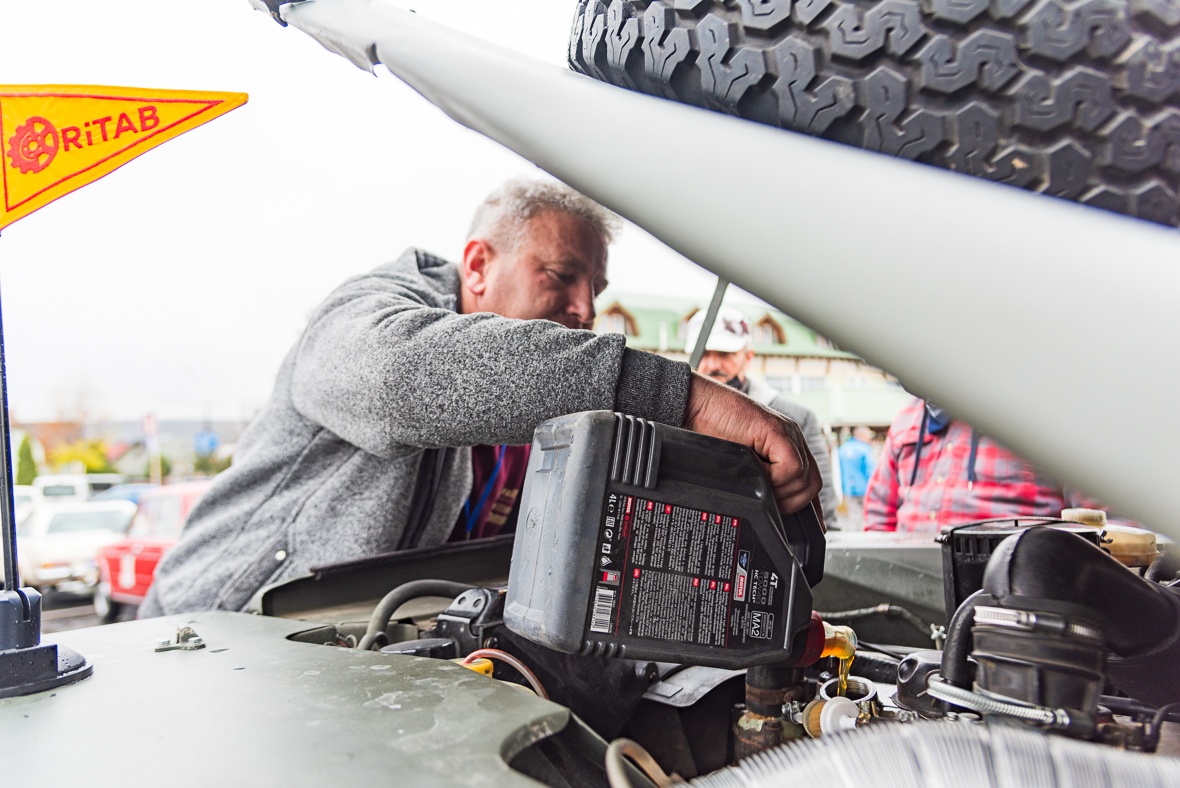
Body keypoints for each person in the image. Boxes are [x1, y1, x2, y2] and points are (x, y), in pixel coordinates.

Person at [141, 178, 822, 616]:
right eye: (561, 276)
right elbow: (397, 383)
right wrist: (680, 397)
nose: (585, 308)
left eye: (595, 289)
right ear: (476, 265)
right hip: (200, 637)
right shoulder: (366, 316)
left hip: (339, 656)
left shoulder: (540, 415)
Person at [683, 308, 838, 527]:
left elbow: (823, 508)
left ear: (747, 358)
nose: (713, 364)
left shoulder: (796, 418)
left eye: (725, 354)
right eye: (704, 354)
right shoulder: (674, 417)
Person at [865, 397, 1104, 533]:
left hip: (1017, 594)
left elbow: (1106, 520)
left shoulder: (1047, 413)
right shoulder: (908, 417)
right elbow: (879, 510)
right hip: (911, 588)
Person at [838, 426, 876, 529]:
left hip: (849, 490)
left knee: (854, 517)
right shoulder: (865, 449)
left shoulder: (842, 449)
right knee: (868, 517)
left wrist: (843, 490)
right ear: (863, 436)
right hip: (866, 489)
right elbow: (871, 471)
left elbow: (840, 472)